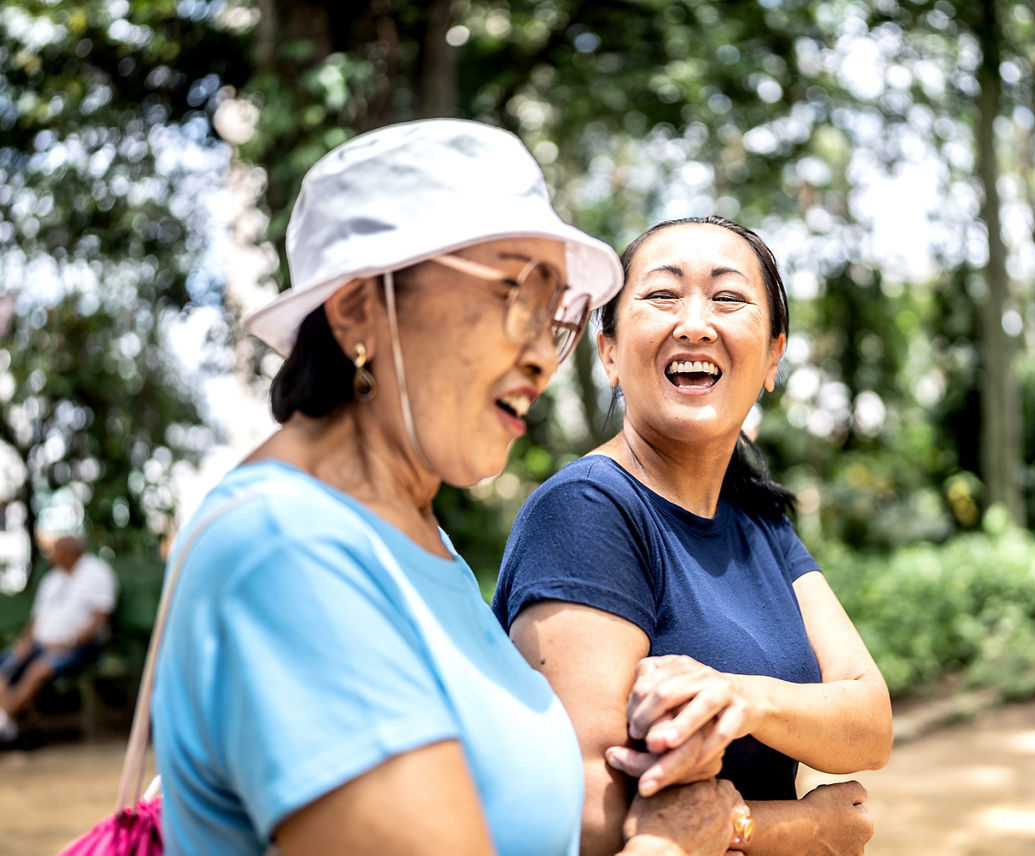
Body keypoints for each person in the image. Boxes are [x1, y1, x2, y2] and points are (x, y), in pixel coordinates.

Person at [150, 121, 750, 855]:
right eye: (514, 295)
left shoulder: (415, 539)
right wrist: (675, 844)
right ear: (357, 308)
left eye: (555, 315)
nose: (541, 355)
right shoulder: (287, 553)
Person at [493, 216, 893, 855]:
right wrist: (803, 829)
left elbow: (869, 724)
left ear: (772, 359)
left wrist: (741, 698)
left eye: (729, 298)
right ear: (610, 353)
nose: (696, 323)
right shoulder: (588, 511)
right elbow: (586, 822)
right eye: (662, 295)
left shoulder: (760, 520)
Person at [0, 532, 117, 744]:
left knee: (39, 669)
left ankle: (5, 721)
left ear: (70, 552)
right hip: (41, 644)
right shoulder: (51, 579)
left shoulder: (97, 573)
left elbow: (99, 619)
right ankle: (6, 720)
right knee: (8, 664)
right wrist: (24, 643)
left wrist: (70, 642)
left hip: (81, 647)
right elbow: (36, 620)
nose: (50, 555)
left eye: (54, 550)